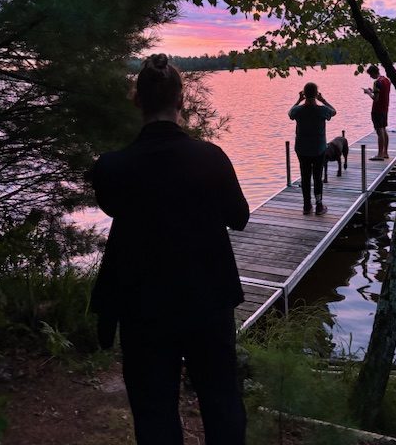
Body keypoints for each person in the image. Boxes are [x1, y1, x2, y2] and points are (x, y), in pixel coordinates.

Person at [89, 53, 249, 445]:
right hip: (208, 300)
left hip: (142, 308)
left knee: (154, 410)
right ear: (181, 101)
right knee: (221, 401)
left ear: (137, 101)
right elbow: (239, 216)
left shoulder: (112, 167)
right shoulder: (210, 158)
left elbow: (114, 207)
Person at [288, 82, 336, 215]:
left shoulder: (298, 110)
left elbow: (290, 113)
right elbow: (334, 111)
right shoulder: (322, 110)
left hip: (302, 149)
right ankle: (319, 206)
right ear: (316, 94)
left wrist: (298, 100)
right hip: (318, 149)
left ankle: (306, 205)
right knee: (317, 176)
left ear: (304, 94)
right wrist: (323, 100)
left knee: (305, 176)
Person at [363, 64, 391, 161]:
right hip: (385, 109)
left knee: (380, 131)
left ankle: (379, 155)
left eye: (370, 75)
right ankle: (385, 153)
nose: (370, 77)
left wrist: (368, 92)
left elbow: (376, 98)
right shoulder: (386, 80)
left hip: (377, 110)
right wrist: (372, 91)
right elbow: (381, 93)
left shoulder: (377, 82)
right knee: (384, 129)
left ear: (374, 73)